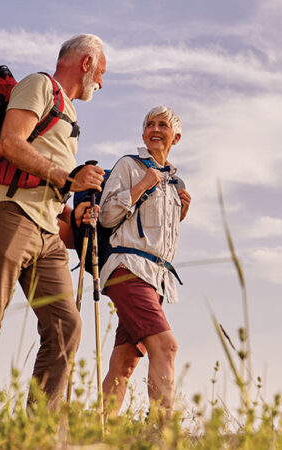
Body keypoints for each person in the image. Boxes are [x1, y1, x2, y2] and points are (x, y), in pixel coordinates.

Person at [0, 34, 108, 426]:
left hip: (47, 232)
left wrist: (70, 213)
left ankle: (39, 434)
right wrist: (70, 177)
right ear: (86, 63)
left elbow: (45, 177)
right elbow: (10, 144)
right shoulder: (40, 85)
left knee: (66, 325)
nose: (102, 81)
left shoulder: (69, 114)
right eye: (102, 71)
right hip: (8, 213)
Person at [98, 106, 190, 417]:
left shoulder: (175, 185)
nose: (155, 128)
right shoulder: (129, 165)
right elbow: (107, 217)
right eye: (149, 124)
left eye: (163, 124)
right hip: (128, 270)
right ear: (142, 134)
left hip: (156, 279)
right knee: (166, 346)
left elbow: (161, 238)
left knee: (125, 362)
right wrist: (141, 186)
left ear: (175, 137)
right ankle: (163, 435)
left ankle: (99, 431)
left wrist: (182, 212)